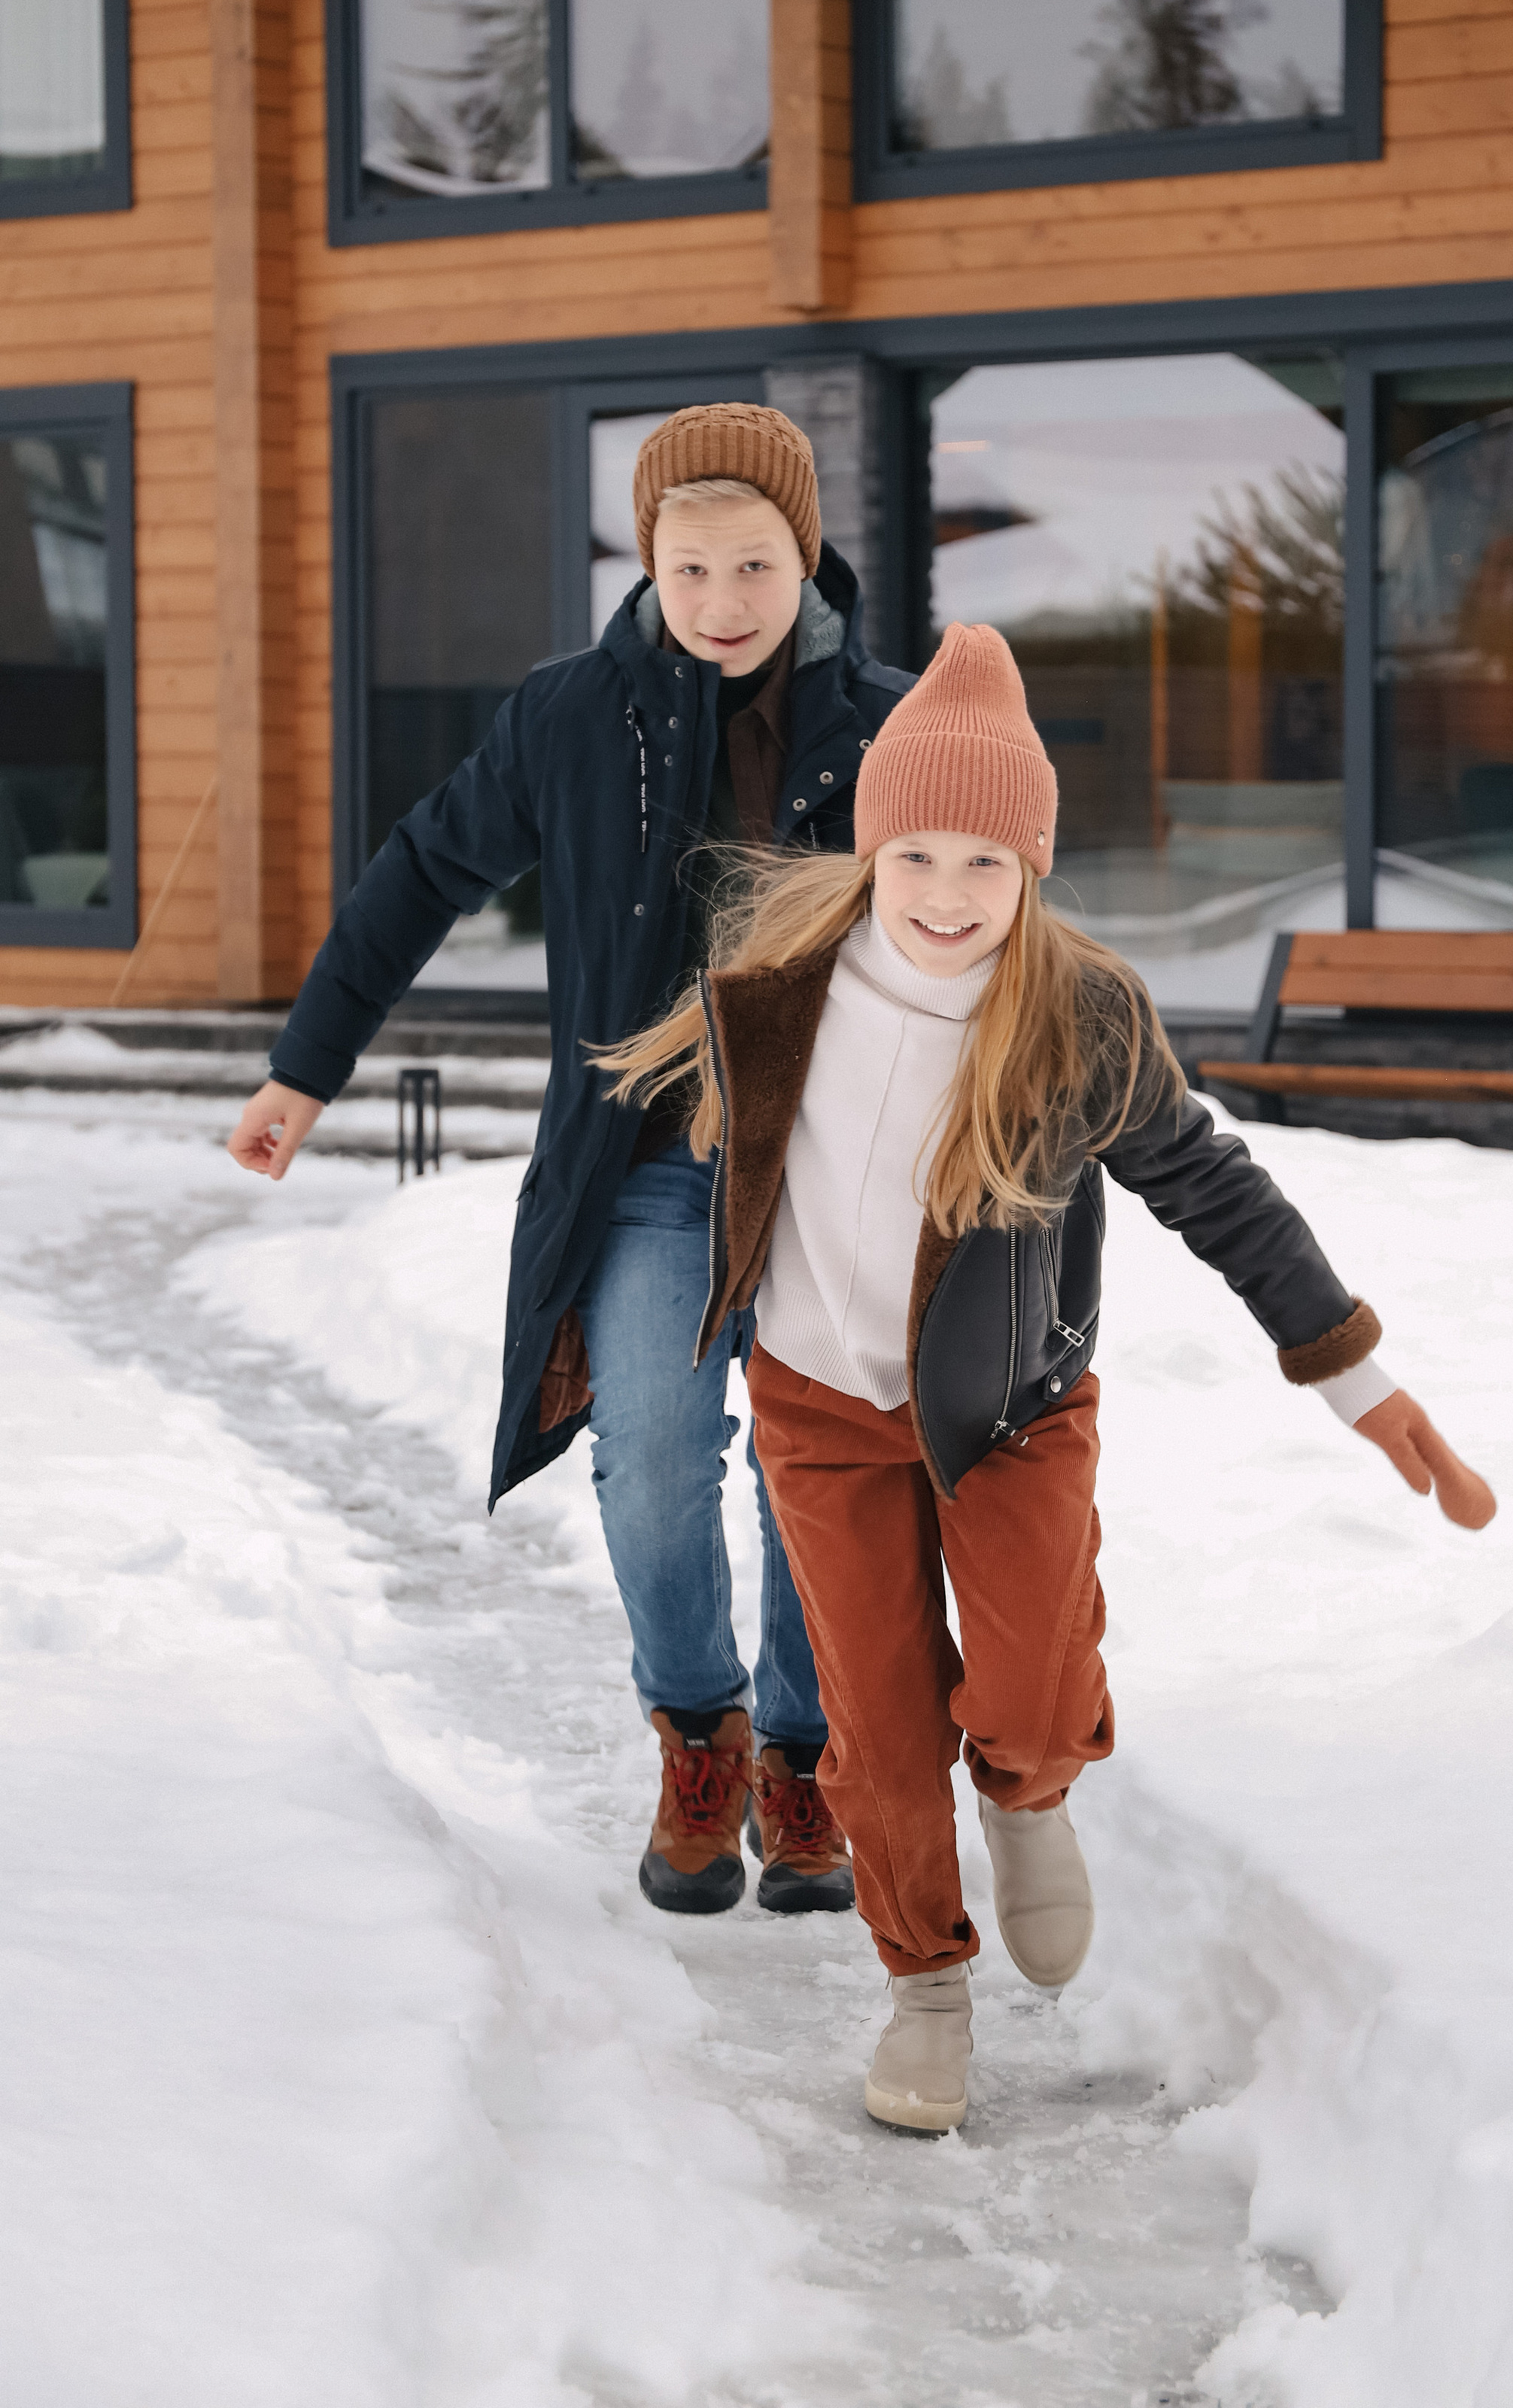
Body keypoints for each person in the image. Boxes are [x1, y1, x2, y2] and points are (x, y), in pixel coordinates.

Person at [596, 622, 1496, 2134]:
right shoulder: (775, 993)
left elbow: (1210, 1188)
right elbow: (651, 1152)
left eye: (987, 867)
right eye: (919, 859)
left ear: (1031, 871)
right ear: (872, 851)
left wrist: (1352, 1374)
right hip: (819, 1412)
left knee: (1013, 1683)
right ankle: (924, 1991)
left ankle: (1027, 1788)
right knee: (876, 1728)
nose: (950, 898)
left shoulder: (1070, 1019)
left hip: (1011, 1409)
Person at [227, 404, 916, 1919]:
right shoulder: (565, 716)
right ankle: (702, 1733)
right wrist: (305, 1069)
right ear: (644, 560)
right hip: (649, 1167)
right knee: (655, 1463)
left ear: (802, 558)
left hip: (833, 1173)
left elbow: (981, 925)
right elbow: (421, 871)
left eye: (754, 565)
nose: (724, 600)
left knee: (822, 1476)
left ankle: (807, 1758)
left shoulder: (891, 722)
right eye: (691, 567)